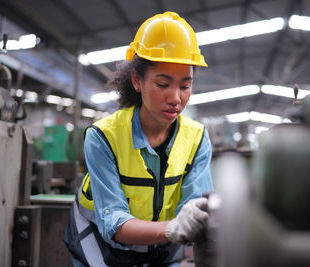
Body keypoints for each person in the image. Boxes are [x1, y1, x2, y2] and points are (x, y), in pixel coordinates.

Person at [64, 11, 214, 267]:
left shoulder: (197, 137)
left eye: (185, 86)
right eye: (163, 84)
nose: (176, 98)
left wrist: (195, 218)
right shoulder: (103, 136)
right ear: (137, 81)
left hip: (162, 247)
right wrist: (172, 228)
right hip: (101, 245)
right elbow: (115, 223)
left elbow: (194, 211)